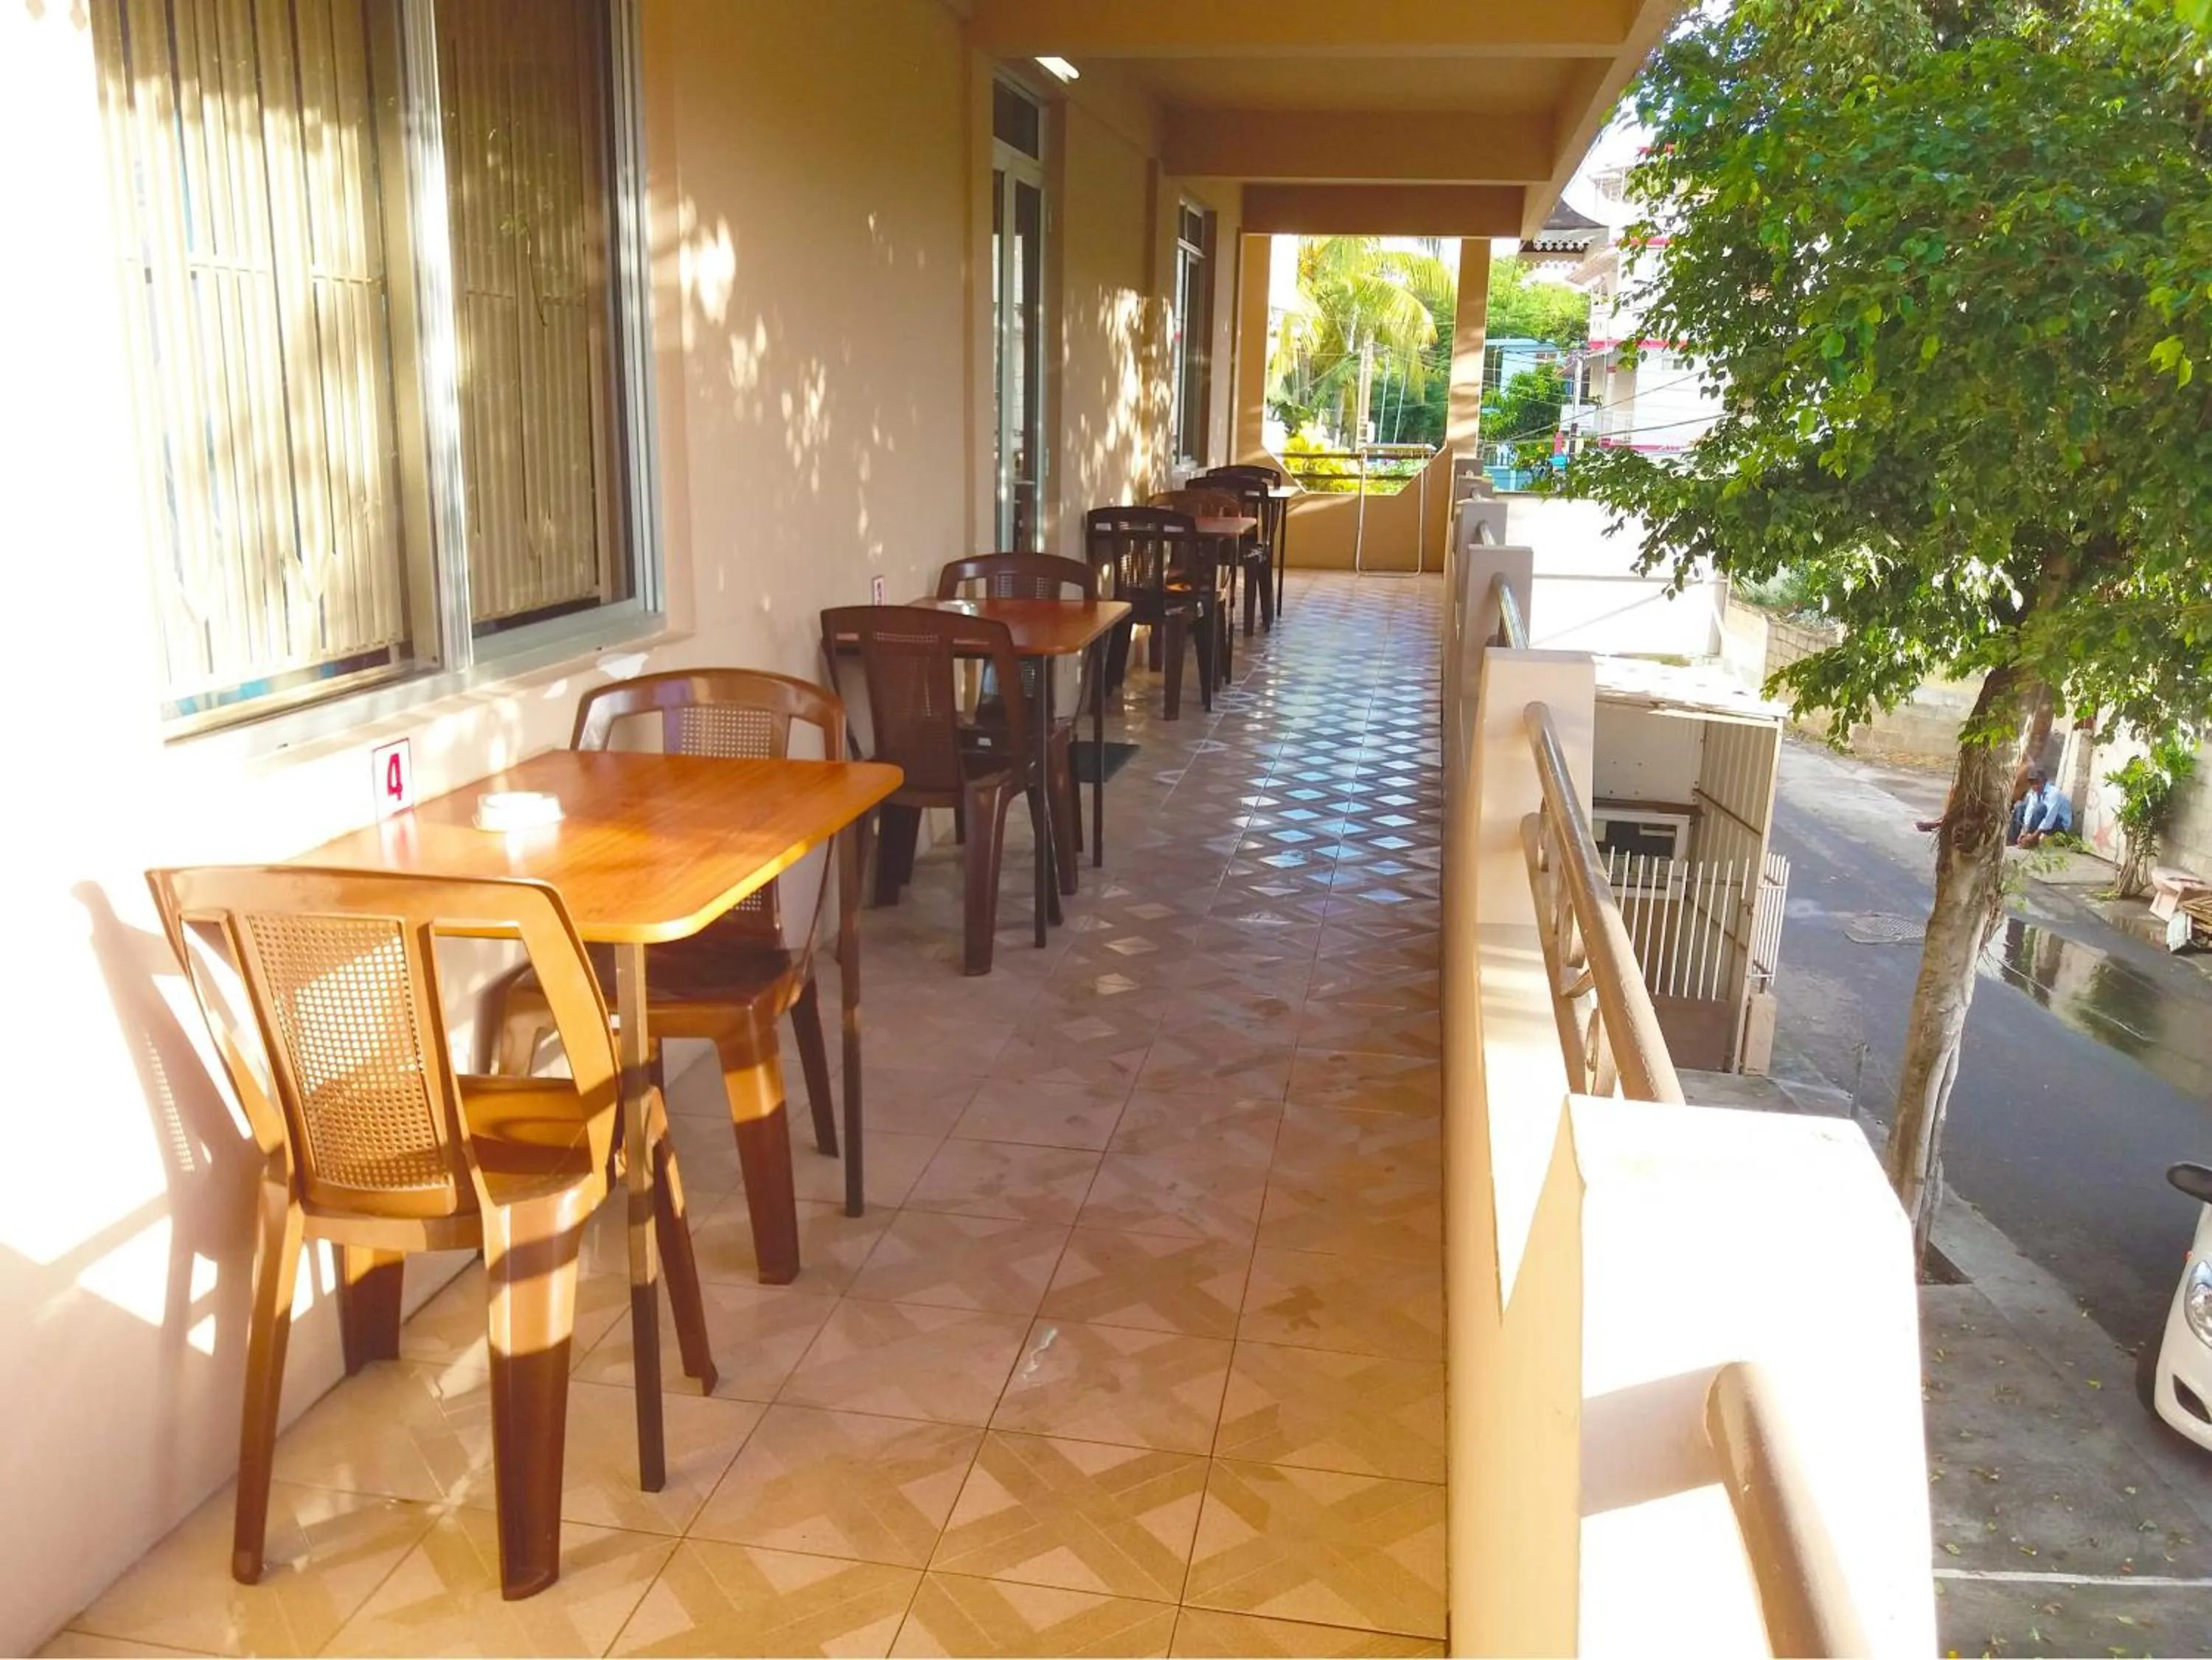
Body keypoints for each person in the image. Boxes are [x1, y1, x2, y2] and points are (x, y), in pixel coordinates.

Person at [2011, 768, 2073, 847]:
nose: (2035, 786)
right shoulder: (2034, 792)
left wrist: (2033, 836)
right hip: (2044, 821)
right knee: (2020, 807)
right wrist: (2024, 832)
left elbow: (2049, 818)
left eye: (2037, 783)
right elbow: (2029, 811)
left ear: (2044, 781)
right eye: (2032, 784)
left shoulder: (2054, 793)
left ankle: (2032, 840)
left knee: (2040, 808)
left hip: (2059, 825)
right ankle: (2015, 840)